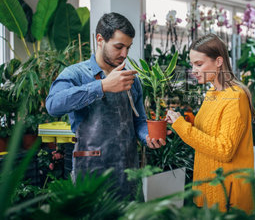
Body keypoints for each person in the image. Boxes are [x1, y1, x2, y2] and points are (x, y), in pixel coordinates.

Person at [46, 12, 166, 198]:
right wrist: (101, 86)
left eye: (128, 47)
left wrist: (148, 137)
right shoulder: (76, 74)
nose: (125, 54)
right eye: (119, 47)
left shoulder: (131, 80)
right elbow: (53, 105)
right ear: (100, 39)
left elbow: (139, 121)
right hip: (91, 175)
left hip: (129, 174)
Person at [166, 34, 255, 213]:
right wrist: (178, 121)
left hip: (227, 197)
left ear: (218, 61)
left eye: (199, 64)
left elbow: (224, 150)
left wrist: (182, 126)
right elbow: (205, 132)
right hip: (208, 190)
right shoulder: (212, 93)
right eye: (192, 64)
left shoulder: (235, 97)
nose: (193, 70)